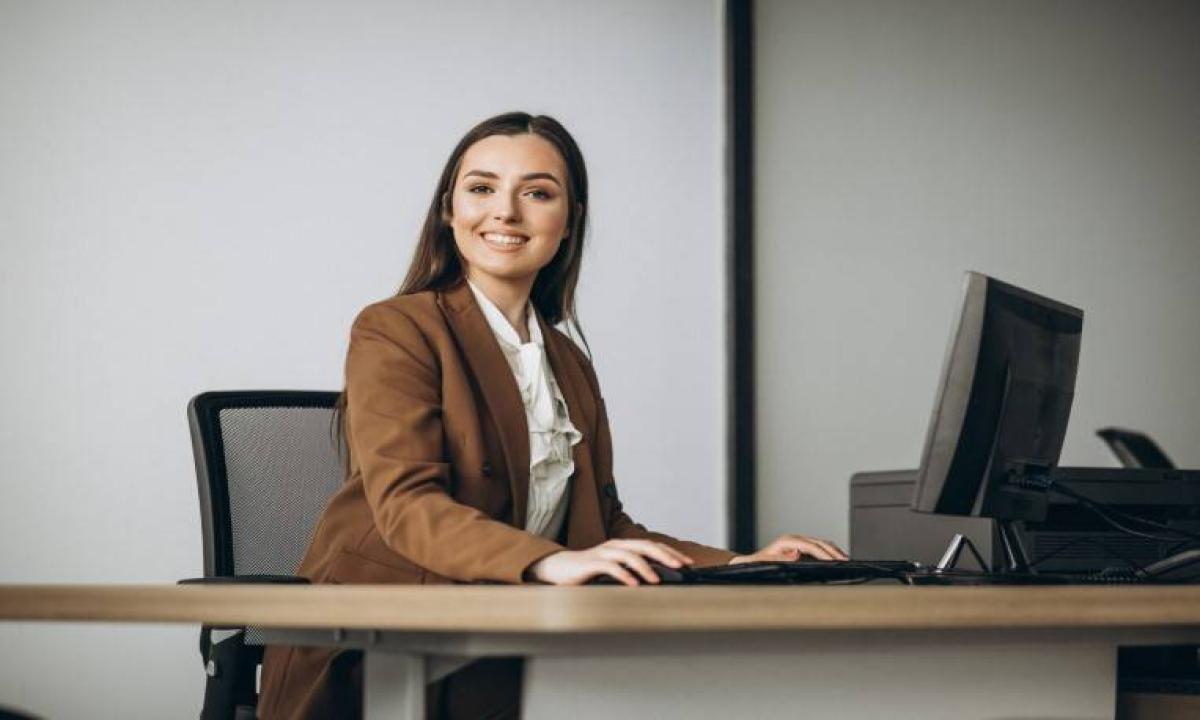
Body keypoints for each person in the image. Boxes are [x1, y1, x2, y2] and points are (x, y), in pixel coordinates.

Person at [257, 111, 846, 719]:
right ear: (448, 211)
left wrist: (738, 565)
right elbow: (409, 508)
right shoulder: (396, 327)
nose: (506, 212)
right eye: (482, 189)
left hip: (508, 636)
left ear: (568, 222)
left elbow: (605, 529)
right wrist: (549, 560)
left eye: (537, 193)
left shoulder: (566, 359)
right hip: (385, 646)